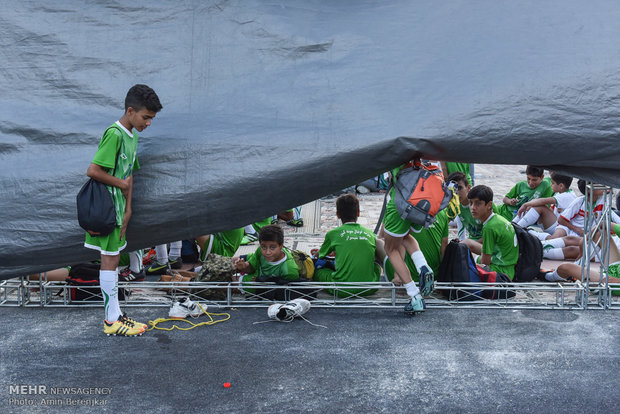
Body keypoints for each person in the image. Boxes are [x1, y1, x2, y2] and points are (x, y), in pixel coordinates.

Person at [83, 84, 162, 336]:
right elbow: (93, 171)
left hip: (119, 210)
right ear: (130, 111)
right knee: (109, 259)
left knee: (114, 259)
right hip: (106, 209)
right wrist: (121, 186)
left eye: (151, 118)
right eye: (146, 117)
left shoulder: (132, 135)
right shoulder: (115, 134)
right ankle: (110, 320)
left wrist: (128, 209)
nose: (148, 123)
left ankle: (116, 315)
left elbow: (130, 175)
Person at [381, 161, 436, 315]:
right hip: (420, 200)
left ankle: (415, 296)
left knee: (390, 249)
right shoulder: (416, 147)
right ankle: (423, 266)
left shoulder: (397, 150)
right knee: (405, 236)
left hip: (401, 202)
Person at [313, 194, 383, 297]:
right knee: (375, 267)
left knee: (318, 271)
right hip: (369, 288)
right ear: (358, 213)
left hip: (342, 289)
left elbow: (319, 256)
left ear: (337, 214)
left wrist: (317, 253)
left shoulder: (333, 233)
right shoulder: (370, 234)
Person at [383, 209, 449, 288]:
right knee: (404, 238)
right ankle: (422, 264)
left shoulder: (399, 207)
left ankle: (402, 279)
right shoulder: (442, 213)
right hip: (434, 273)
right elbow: (444, 245)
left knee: (388, 244)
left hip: (410, 274)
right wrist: (442, 278)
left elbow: (384, 236)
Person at [468, 185, 519, 280]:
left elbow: (485, 263)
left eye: (478, 204)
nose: (473, 208)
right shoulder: (497, 219)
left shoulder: (489, 227)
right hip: (508, 266)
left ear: (489, 205)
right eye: (471, 203)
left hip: (500, 271)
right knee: (466, 245)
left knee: (464, 257)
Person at [543, 223, 620, 283]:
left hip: (612, 282)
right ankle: (579, 265)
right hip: (616, 268)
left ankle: (548, 276)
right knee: (599, 233)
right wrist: (583, 241)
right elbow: (602, 223)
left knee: (565, 267)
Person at [233, 225, 299, 293]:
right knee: (231, 262)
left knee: (227, 285)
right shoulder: (260, 251)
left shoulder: (289, 269)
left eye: (272, 247)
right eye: (264, 247)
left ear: (281, 246)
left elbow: (287, 291)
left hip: (257, 284)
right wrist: (244, 266)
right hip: (255, 272)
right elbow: (251, 268)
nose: (267, 252)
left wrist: (264, 281)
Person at [446, 171, 485, 255]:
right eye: (453, 189)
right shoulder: (456, 206)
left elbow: (492, 234)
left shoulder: (481, 203)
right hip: (473, 244)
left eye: (459, 188)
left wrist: (469, 245)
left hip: (490, 244)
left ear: (468, 187)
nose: (456, 192)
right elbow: (461, 233)